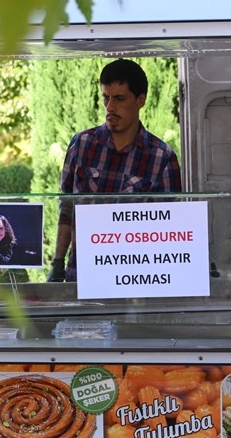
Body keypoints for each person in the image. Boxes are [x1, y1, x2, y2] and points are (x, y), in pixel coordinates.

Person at [48, 59, 182, 281]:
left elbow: (168, 229)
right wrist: (58, 262)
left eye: (119, 98)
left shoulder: (162, 158)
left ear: (141, 100)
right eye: (105, 98)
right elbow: (67, 207)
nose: (110, 107)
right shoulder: (82, 144)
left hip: (133, 278)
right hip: (80, 274)